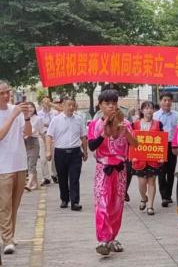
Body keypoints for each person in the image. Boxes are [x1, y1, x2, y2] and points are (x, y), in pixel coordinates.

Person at [87, 89, 139, 255]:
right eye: (107, 103)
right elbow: (92, 146)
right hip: (103, 168)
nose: (111, 106)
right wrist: (104, 132)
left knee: (117, 205)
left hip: (121, 168)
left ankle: (112, 237)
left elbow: (135, 144)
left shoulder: (126, 124)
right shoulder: (95, 125)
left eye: (114, 103)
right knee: (102, 203)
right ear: (100, 105)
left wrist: (126, 133)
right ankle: (103, 239)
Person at [0, 81, 32, 254]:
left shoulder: (16, 110)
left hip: (19, 163)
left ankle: (9, 235)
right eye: (2, 93)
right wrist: (12, 116)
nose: (6, 96)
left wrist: (26, 116)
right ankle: (7, 239)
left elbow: (27, 132)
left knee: (14, 203)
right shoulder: (12, 112)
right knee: (4, 205)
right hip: (2, 167)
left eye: (7, 92)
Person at [46, 96, 88, 210]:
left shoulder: (79, 119)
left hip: (75, 152)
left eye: (73, 105)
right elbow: (49, 136)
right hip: (60, 152)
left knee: (74, 178)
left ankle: (75, 202)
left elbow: (83, 136)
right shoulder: (56, 120)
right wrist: (48, 151)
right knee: (62, 178)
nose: (71, 107)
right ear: (63, 105)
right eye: (68, 105)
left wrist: (85, 151)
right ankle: (64, 199)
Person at [132, 101, 163, 215]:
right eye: (146, 108)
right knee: (141, 183)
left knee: (152, 182)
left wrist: (161, 156)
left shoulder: (158, 124)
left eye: (151, 108)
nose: (149, 110)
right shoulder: (135, 124)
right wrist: (132, 156)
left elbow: (162, 141)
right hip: (139, 159)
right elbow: (130, 141)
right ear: (142, 110)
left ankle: (150, 205)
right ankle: (144, 198)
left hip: (153, 158)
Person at [154, 92, 178, 207]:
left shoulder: (177, 115)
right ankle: (164, 196)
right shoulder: (155, 115)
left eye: (169, 100)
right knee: (161, 171)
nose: (167, 102)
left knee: (171, 171)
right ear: (160, 101)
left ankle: (168, 195)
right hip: (160, 145)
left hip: (172, 145)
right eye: (164, 100)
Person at [37, 96, 58, 185]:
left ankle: (54, 174)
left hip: (53, 136)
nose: (45, 104)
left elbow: (56, 122)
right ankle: (46, 177)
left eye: (47, 102)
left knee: (54, 157)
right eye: (44, 102)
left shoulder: (54, 112)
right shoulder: (39, 113)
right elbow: (39, 125)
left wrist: (51, 105)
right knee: (43, 158)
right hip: (42, 136)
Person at [24, 102, 44, 191]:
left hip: (33, 142)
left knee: (31, 164)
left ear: (34, 108)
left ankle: (29, 184)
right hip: (24, 142)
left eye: (31, 107)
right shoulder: (22, 118)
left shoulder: (38, 119)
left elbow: (41, 132)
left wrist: (47, 145)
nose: (30, 109)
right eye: (28, 107)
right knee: (29, 163)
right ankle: (35, 184)